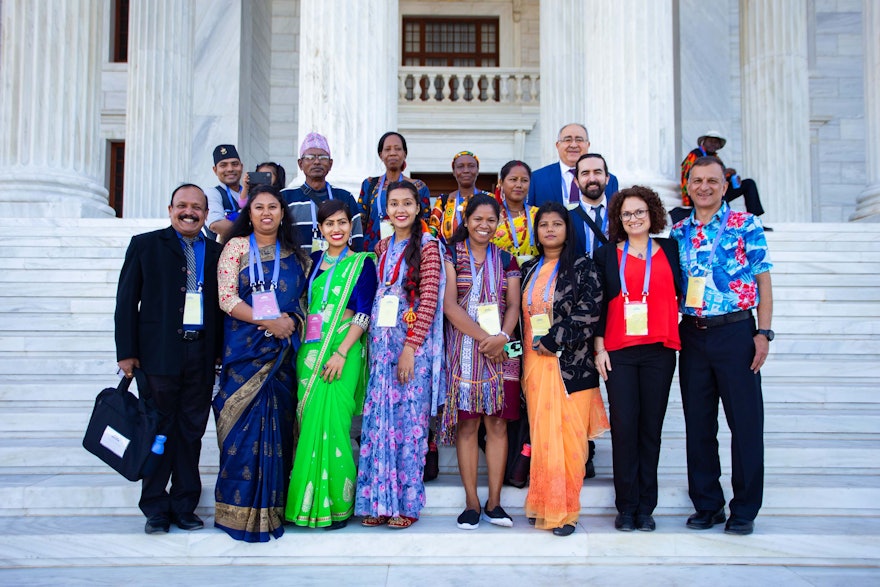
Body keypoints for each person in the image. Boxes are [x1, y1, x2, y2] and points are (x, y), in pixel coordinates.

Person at [670, 156, 774, 536]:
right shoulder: (678, 232)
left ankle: (744, 508)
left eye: (712, 181)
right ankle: (707, 505)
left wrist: (763, 332)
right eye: (697, 181)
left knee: (745, 424)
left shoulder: (745, 225)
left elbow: (763, 282)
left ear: (724, 185)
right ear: (688, 186)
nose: (704, 187)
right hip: (693, 335)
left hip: (736, 333)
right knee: (699, 424)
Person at [115, 183, 224, 535]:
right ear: (170, 208)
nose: (189, 212)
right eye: (182, 205)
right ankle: (155, 508)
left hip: (201, 354)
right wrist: (127, 352)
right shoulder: (146, 246)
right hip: (158, 355)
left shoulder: (217, 252)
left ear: (207, 214)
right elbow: (126, 301)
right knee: (157, 431)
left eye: (196, 207)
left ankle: (184, 504)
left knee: (191, 432)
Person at [213, 184, 309, 542]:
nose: (266, 213)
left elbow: (304, 306)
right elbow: (226, 298)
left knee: (278, 433)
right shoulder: (235, 248)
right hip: (244, 356)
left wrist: (291, 322)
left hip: (281, 359)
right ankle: (234, 513)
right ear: (248, 214)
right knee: (241, 431)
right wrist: (268, 321)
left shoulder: (297, 257)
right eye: (258, 207)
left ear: (283, 213)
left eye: (273, 207)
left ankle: (275, 509)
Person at [355, 180, 446, 529]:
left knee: (408, 428)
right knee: (379, 426)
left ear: (418, 207)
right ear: (385, 210)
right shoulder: (380, 246)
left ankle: (405, 505)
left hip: (412, 350)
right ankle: (378, 502)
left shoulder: (428, 246)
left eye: (407, 203)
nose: (401, 209)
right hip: (380, 348)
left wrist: (410, 348)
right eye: (394, 204)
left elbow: (427, 301)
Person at [593, 186, 682, 533]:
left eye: (640, 212)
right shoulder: (606, 254)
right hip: (619, 352)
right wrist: (599, 348)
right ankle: (626, 506)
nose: (633, 219)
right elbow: (599, 305)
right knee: (626, 429)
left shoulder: (671, 250)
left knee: (651, 431)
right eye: (627, 214)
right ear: (619, 219)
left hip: (660, 349)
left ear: (652, 214)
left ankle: (647, 507)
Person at [285, 200, 377, 530]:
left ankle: (337, 504)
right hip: (310, 353)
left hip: (344, 351)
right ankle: (305, 504)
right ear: (320, 229)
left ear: (350, 227)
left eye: (342, 222)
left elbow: (365, 313)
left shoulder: (363, 263)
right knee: (310, 424)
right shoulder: (311, 263)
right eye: (329, 224)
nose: (336, 229)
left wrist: (341, 352)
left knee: (336, 425)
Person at [520, 201, 609, 537]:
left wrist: (555, 339)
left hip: (571, 366)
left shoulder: (583, 266)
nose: (550, 230)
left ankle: (566, 511)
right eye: (544, 225)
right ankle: (544, 503)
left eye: (557, 224)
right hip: (534, 365)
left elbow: (590, 310)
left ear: (567, 230)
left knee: (570, 441)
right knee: (543, 438)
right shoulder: (530, 267)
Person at [441, 193, 522, 531]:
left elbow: (514, 305)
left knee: (499, 425)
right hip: (463, 351)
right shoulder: (451, 255)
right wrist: (482, 338)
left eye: (491, 220)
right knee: (469, 425)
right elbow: (449, 305)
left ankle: (495, 503)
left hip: (501, 351)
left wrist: (502, 337)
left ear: (499, 222)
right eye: (478, 219)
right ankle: (472, 503)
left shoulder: (507, 260)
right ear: (467, 219)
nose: (484, 225)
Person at [282, 132, 364, 254]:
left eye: (322, 157)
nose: (316, 162)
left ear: (330, 164)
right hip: (297, 270)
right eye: (310, 157)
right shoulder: (286, 197)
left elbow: (357, 240)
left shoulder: (345, 197)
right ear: (300, 164)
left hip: (337, 270)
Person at [358, 132, 431, 252]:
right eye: (387, 149)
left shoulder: (418, 187)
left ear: (404, 154)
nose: (392, 153)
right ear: (381, 155)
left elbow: (424, 224)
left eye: (397, 149)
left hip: (407, 253)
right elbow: (360, 222)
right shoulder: (369, 184)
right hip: (372, 252)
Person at [672, 131, 766, 224]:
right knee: (719, 191)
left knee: (749, 183)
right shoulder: (694, 155)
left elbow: (721, 178)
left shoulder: (716, 158)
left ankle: (754, 220)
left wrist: (731, 177)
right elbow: (692, 177)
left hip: (716, 190)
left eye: (716, 142)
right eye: (711, 141)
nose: (713, 144)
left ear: (719, 146)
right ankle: (725, 223)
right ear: (703, 142)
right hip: (698, 192)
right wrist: (724, 173)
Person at [528, 123, 619, 208]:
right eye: (568, 140)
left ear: (588, 144)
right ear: (558, 145)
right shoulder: (537, 179)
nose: (574, 145)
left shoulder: (609, 180)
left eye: (579, 140)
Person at [429, 151, 492, 244]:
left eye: (471, 166)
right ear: (454, 171)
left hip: (482, 256)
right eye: (460, 166)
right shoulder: (443, 201)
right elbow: (432, 233)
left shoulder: (490, 199)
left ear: (478, 170)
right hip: (449, 257)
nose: (466, 170)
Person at [492, 160, 538, 264]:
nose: (519, 185)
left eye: (524, 180)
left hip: (533, 276)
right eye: (513, 179)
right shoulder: (491, 215)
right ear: (501, 183)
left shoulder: (538, 215)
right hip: (498, 275)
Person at [205, 144, 245, 242]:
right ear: (215, 170)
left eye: (235, 164)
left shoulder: (250, 193)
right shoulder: (212, 193)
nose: (230, 169)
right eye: (223, 165)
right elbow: (216, 225)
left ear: (241, 166)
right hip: (222, 255)